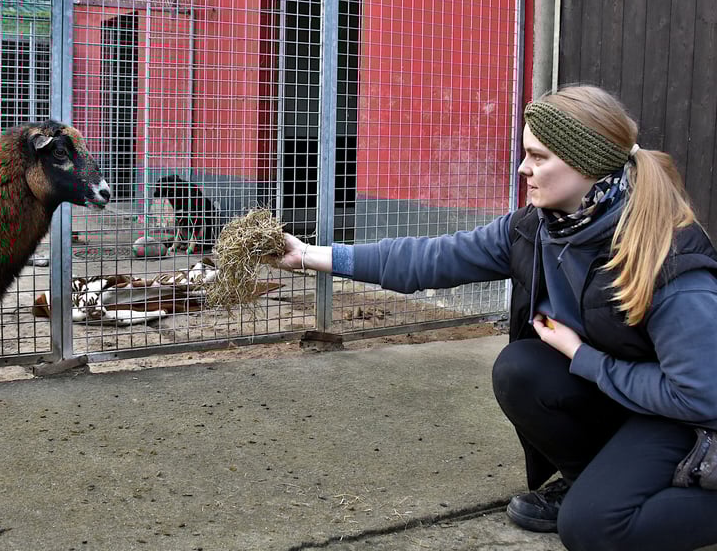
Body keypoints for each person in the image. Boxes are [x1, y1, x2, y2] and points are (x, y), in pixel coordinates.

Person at [269, 84, 717, 551]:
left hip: (684, 418)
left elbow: (701, 397)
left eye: (538, 157)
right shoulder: (534, 229)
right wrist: (307, 256)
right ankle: (587, 480)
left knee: (594, 530)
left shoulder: (667, 262)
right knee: (522, 369)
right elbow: (428, 259)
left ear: (587, 163)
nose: (524, 168)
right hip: (624, 396)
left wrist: (583, 356)